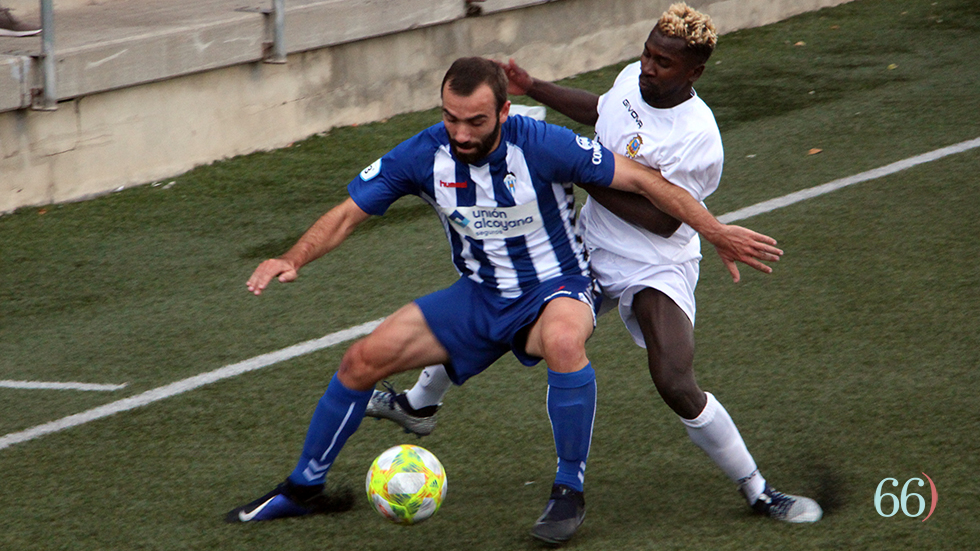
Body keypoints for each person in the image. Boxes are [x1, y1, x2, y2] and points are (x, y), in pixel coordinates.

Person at [227, 55, 782, 545]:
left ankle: (569, 490)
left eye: (476, 121)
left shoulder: (541, 144)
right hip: (479, 296)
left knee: (565, 342)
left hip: (556, 289)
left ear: (504, 111)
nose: (461, 134)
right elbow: (350, 212)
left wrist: (713, 230)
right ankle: (305, 488)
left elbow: (643, 180)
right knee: (360, 361)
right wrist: (293, 258)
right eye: (451, 118)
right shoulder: (423, 154)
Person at [365, 3, 823, 526]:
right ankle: (419, 405)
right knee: (502, 310)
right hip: (585, 247)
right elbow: (600, 110)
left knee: (674, 380)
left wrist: (578, 167)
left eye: (664, 63)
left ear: (693, 72)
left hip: (653, 265)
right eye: (648, 54)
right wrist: (534, 86)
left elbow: (663, 221)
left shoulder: (699, 137)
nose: (649, 67)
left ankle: (758, 489)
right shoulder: (634, 78)